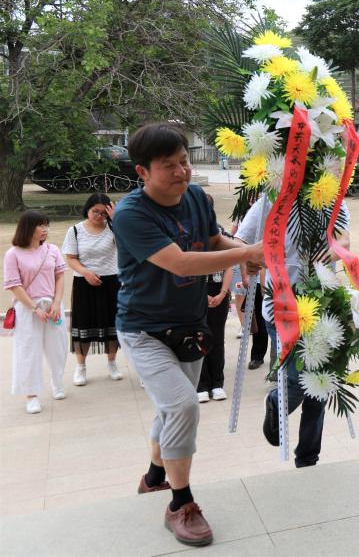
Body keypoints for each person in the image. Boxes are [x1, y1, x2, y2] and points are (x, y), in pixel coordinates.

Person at [112, 123, 263, 547]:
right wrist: (249, 252)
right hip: (144, 329)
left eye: (183, 162)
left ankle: (155, 476)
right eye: (168, 166)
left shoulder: (196, 197)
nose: (181, 173)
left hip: (191, 325)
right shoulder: (131, 214)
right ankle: (180, 502)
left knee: (169, 409)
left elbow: (211, 238)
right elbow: (179, 262)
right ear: (142, 171)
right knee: (182, 405)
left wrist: (239, 249)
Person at [235, 195, 349, 468]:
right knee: (298, 381)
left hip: (322, 304)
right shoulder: (269, 202)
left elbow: (344, 241)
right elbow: (240, 240)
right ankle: (276, 402)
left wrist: (332, 251)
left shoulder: (332, 199)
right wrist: (249, 258)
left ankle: (308, 456)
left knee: (320, 385)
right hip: (281, 307)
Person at [4, 211, 68, 414]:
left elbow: (59, 277)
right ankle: (31, 395)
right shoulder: (13, 254)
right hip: (26, 309)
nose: (45, 230)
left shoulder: (52, 250)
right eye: (41, 225)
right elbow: (15, 286)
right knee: (28, 353)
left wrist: (57, 303)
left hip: (52, 306)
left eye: (46, 225)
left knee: (58, 349)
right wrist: (34, 308)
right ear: (28, 227)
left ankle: (57, 383)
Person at [62, 193, 122, 386]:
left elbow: (129, 246)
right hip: (84, 283)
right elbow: (70, 258)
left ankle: (112, 363)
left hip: (111, 281)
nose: (99, 216)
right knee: (83, 325)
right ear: (87, 209)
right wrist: (86, 272)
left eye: (103, 213)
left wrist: (117, 221)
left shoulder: (114, 229)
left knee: (111, 323)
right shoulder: (75, 230)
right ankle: (81, 367)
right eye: (95, 211)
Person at [196, 262, 231, 403]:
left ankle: (217, 383)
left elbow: (228, 267)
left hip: (219, 292)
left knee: (217, 339)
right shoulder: (191, 243)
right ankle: (201, 385)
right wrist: (202, 295)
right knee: (199, 339)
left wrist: (222, 294)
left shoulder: (222, 243)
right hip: (196, 295)